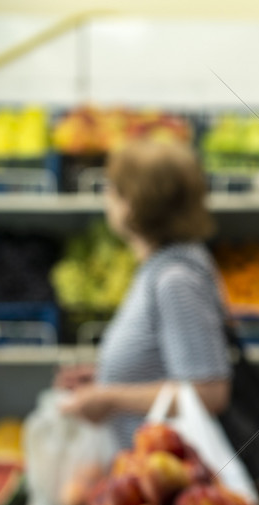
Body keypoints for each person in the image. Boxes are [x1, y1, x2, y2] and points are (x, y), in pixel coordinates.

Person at [60, 140, 231, 449]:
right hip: (150, 469)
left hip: (174, 474)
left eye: (114, 188)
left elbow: (209, 393)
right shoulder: (161, 264)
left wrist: (109, 398)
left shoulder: (175, 280)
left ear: (135, 204)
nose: (106, 196)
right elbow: (167, 359)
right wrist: (105, 377)